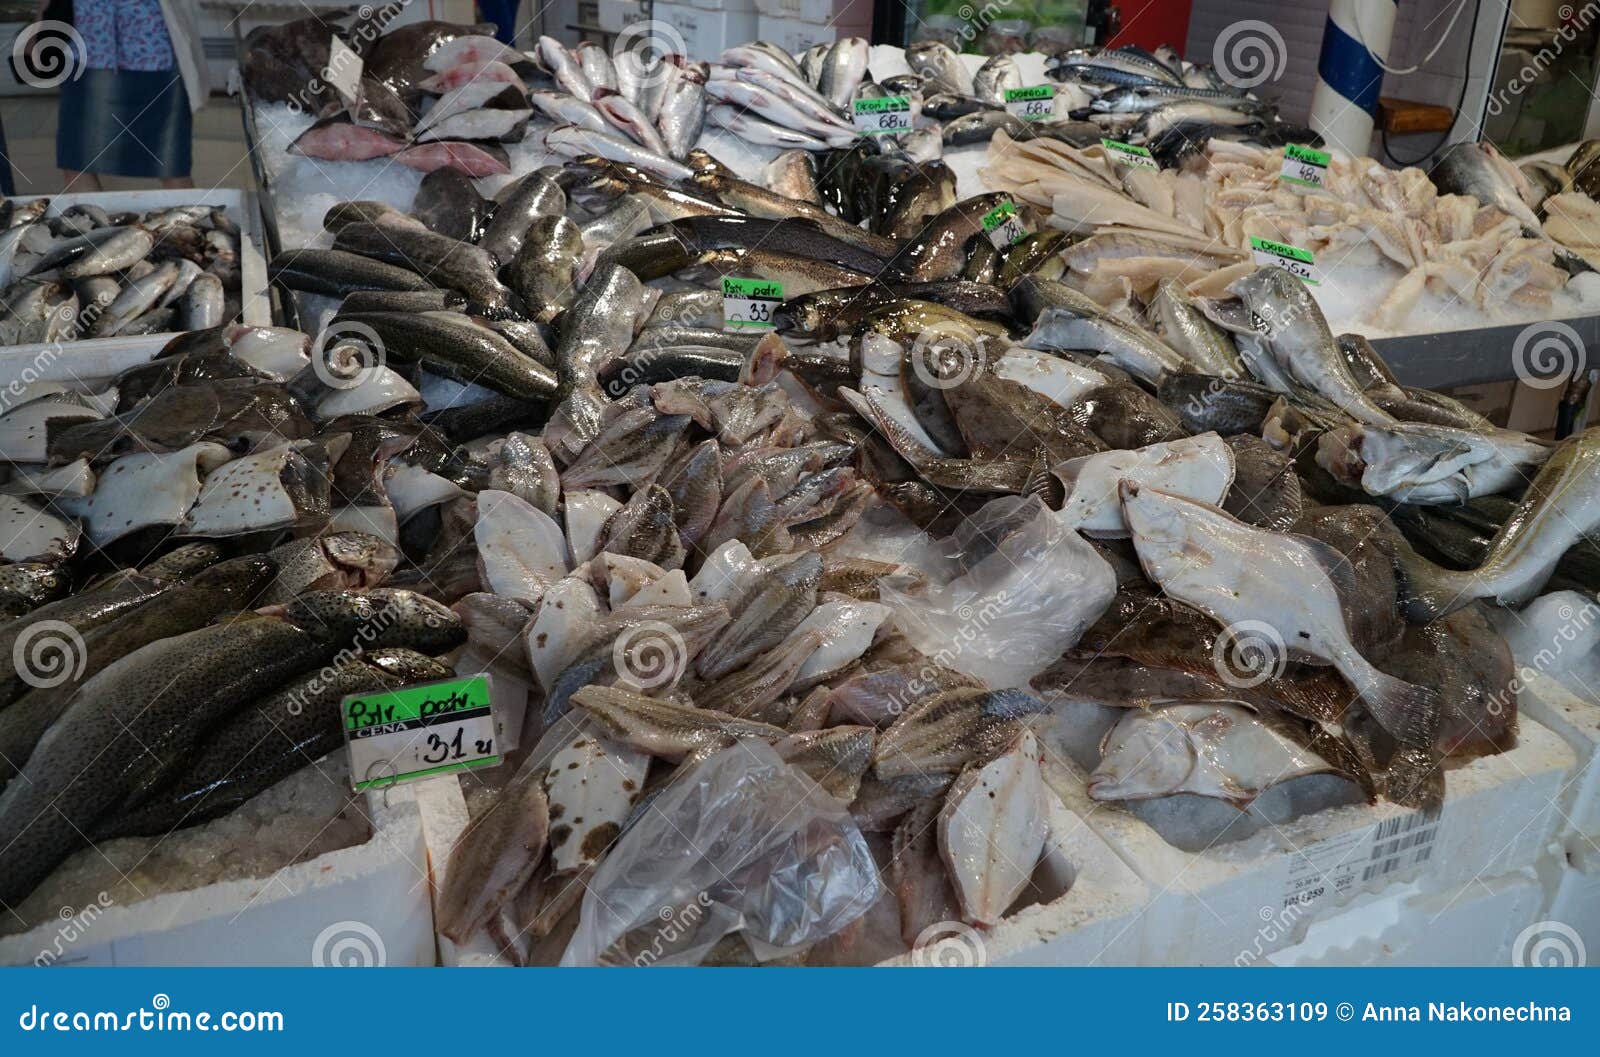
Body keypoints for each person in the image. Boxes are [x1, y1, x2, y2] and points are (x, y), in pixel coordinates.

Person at [49, 0, 208, 191]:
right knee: (76, 163)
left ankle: (184, 220)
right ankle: (91, 221)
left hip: (155, 50)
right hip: (87, 51)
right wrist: (41, 24)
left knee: (171, 166)